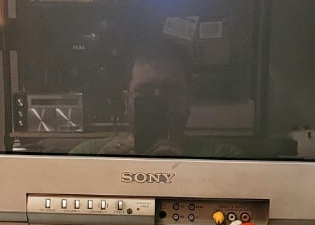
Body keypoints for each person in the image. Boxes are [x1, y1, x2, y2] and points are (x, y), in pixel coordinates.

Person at [70, 41, 242, 157]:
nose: (158, 100)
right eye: (145, 92)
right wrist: (100, 172)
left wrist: (185, 171)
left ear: (189, 99)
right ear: (126, 101)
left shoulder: (223, 156)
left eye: (170, 91)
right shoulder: (86, 154)